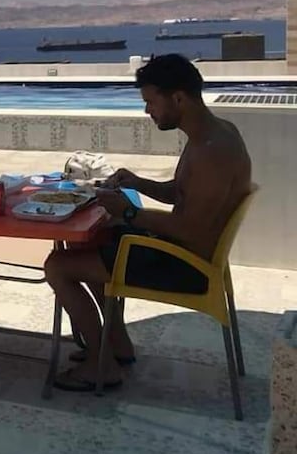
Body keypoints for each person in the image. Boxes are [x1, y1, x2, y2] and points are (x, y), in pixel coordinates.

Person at [45, 54, 251, 391]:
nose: (147, 111)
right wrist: (138, 183)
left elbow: (190, 229)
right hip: (183, 251)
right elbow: (181, 194)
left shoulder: (212, 151)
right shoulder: (213, 134)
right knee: (90, 241)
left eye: (151, 102)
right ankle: (118, 346)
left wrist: (129, 212)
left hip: (188, 266)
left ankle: (101, 366)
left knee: (57, 266)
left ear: (178, 98)